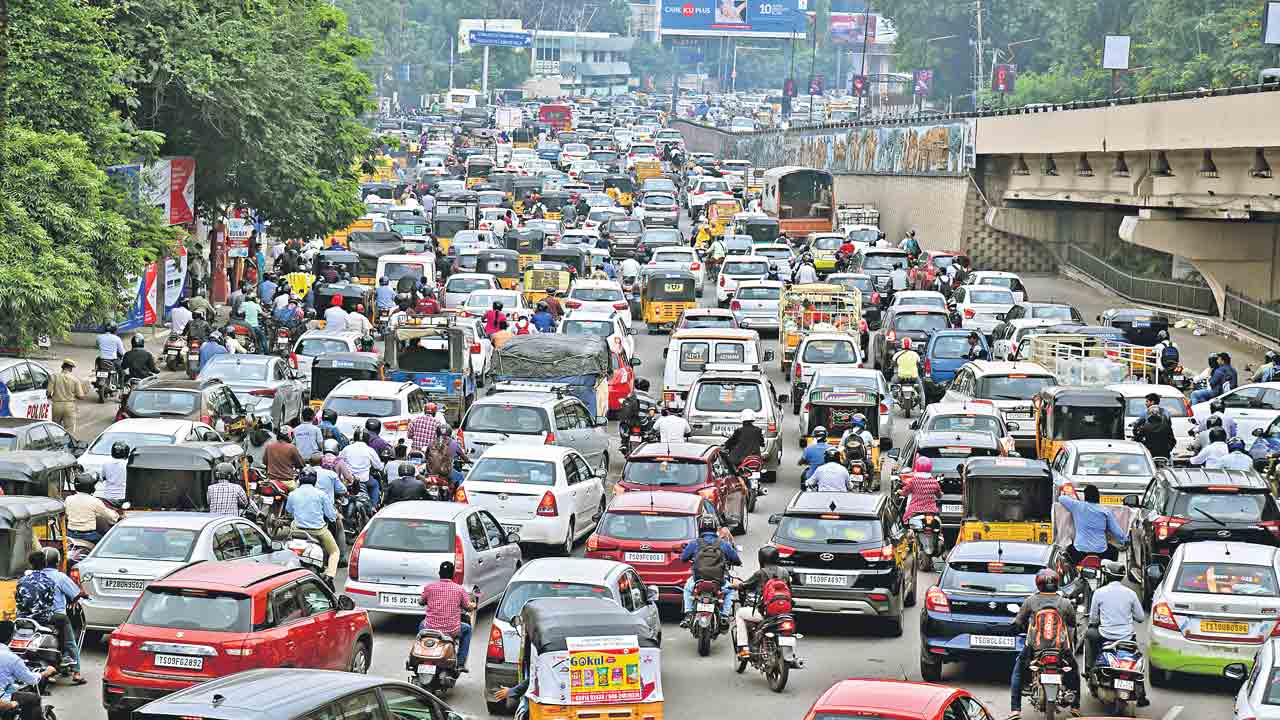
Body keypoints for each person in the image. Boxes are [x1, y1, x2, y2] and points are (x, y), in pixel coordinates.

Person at [1008, 569, 1080, 720]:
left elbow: (1018, 622)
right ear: (1056, 583)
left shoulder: (1031, 601)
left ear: (1038, 584)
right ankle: (1075, 706)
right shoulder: (1065, 602)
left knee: (1018, 670)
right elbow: (1073, 623)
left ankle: (1015, 709)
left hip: (1035, 649)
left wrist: (1015, 627)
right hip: (1061, 649)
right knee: (1074, 670)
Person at [1084, 560, 1149, 705]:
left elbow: (1093, 619)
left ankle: (1090, 669)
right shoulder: (1131, 593)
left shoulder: (1099, 593)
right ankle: (1142, 694)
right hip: (1127, 637)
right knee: (1136, 657)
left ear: (1107, 576)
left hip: (1104, 635)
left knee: (1088, 635)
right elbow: (1140, 617)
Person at [731, 545, 791, 659]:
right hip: (783, 614)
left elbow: (745, 585)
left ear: (761, 559)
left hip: (765, 614)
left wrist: (735, 585)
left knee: (739, 613)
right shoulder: (785, 573)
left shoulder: (760, 573)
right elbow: (790, 592)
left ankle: (743, 648)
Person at [678, 517, 740, 627]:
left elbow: (683, 558)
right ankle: (724, 616)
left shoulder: (695, 543)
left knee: (687, 588)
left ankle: (688, 614)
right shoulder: (723, 544)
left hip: (698, 580)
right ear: (715, 528)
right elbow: (736, 559)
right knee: (730, 590)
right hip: (719, 582)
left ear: (700, 528)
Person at [38, 547, 87, 684]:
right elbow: (75, 594)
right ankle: (76, 673)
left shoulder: (34, 575)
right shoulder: (60, 577)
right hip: (57, 616)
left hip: (36, 616)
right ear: (58, 562)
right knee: (70, 641)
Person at [419, 561, 476, 672]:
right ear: (453, 574)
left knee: (421, 626)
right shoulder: (459, 590)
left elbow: (421, 602)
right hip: (451, 630)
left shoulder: (429, 588)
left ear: (439, 573)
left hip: (429, 628)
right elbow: (468, 607)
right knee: (467, 629)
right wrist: (473, 605)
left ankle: (422, 648)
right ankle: (460, 663)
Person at [285, 470, 340, 584]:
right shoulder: (321, 494)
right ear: (315, 480)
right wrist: (336, 516)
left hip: (298, 531)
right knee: (334, 552)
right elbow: (331, 515)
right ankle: (329, 576)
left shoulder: (292, 494)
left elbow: (288, 511)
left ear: (299, 479)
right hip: (319, 531)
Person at [0, 619, 57, 720]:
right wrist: (45, 673)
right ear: (11, 636)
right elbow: (31, 679)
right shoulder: (12, 658)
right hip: (2, 700)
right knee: (34, 698)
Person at [1057, 484, 1128, 564]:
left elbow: (1061, 498)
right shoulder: (1105, 511)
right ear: (1098, 497)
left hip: (1079, 552)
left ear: (1085, 496)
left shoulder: (1077, 506)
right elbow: (1116, 530)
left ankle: (1073, 574)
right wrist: (1125, 541)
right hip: (1102, 553)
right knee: (1114, 551)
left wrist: (1073, 498)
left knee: (1069, 551)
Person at [66, 472, 117, 544]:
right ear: (91, 487)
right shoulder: (94, 501)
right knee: (107, 543)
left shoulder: (68, 499)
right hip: (88, 536)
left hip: (70, 534)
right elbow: (111, 517)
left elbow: (67, 514)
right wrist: (116, 516)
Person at [339, 429, 385, 508]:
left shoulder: (347, 448)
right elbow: (379, 466)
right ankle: (373, 507)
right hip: (364, 480)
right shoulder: (369, 450)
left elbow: (339, 460)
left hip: (348, 480)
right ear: (367, 438)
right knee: (375, 485)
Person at [1131, 395, 1176, 460]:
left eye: (1147, 401)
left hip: (1150, 452)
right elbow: (1172, 440)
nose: (1145, 403)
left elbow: (1138, 435)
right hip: (1164, 452)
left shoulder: (1145, 425)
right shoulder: (1166, 420)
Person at [49, 358, 86, 434]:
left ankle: (56, 444)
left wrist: (50, 397)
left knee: (55, 428)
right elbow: (81, 396)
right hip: (69, 406)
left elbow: (48, 392)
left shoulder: (54, 376)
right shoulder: (75, 380)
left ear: (62, 366)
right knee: (69, 430)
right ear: (71, 368)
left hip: (56, 405)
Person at [891, 338, 925, 405]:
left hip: (900, 376)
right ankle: (923, 407)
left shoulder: (897, 354)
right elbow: (918, 364)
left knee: (893, 381)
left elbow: (893, 364)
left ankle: (894, 397)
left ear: (902, 345)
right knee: (921, 391)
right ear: (911, 345)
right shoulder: (915, 354)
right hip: (913, 376)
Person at [96, 440, 130, 505]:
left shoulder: (106, 464)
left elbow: (102, 478)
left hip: (107, 497)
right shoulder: (127, 464)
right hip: (122, 497)